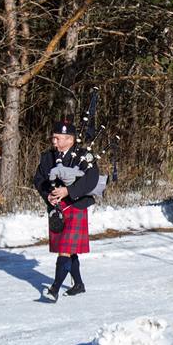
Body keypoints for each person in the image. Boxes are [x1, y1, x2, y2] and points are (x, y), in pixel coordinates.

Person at [33, 119, 100, 302]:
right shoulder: (48, 157)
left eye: (57, 138)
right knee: (69, 249)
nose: (54, 141)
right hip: (56, 207)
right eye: (53, 138)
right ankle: (78, 284)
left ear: (70, 139)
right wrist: (48, 194)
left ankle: (54, 290)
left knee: (65, 248)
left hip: (75, 205)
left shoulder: (84, 156)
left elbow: (91, 179)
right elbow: (38, 179)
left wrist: (68, 191)